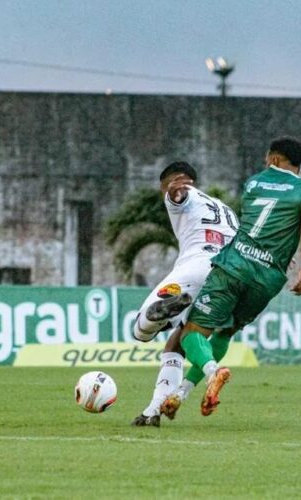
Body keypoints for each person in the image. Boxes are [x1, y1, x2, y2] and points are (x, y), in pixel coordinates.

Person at [157, 136, 301, 420]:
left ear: (274, 159)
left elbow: (254, 226)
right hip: (268, 277)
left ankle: (213, 371)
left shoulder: (254, 183)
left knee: (192, 334)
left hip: (234, 265)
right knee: (226, 331)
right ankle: (181, 393)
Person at [131, 161, 238, 427]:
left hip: (195, 269)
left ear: (173, 181)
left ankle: (162, 313)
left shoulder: (183, 193)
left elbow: (177, 196)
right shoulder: (227, 211)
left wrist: (174, 192)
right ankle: (153, 410)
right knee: (177, 343)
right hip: (226, 275)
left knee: (141, 331)